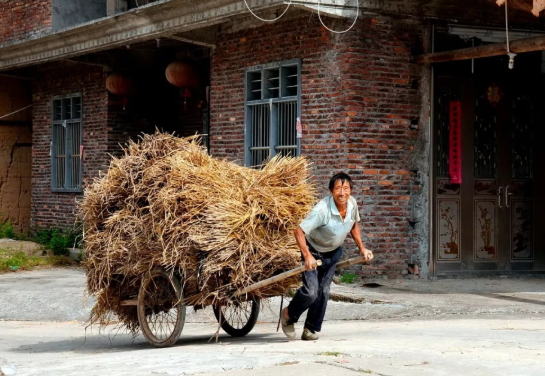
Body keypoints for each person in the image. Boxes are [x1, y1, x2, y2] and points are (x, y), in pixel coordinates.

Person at [281, 172, 373, 340]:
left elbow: (353, 225)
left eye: (346, 188)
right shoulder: (322, 210)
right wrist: (307, 255)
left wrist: (362, 248)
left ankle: (310, 328)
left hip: (333, 252)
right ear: (331, 190)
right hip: (314, 251)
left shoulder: (352, 204)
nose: (342, 193)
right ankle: (288, 315)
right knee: (311, 292)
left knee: (324, 291)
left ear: (351, 190)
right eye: (338, 188)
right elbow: (299, 231)